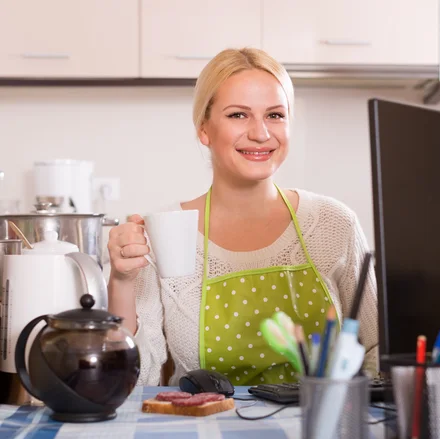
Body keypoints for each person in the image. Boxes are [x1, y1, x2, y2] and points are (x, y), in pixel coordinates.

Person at [107, 47, 378, 386]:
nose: (261, 133)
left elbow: (374, 355)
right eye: (238, 115)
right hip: (202, 429)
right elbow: (134, 381)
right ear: (204, 129)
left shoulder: (334, 222)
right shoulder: (163, 232)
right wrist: (121, 281)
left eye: (275, 115)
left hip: (319, 428)